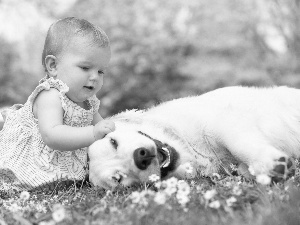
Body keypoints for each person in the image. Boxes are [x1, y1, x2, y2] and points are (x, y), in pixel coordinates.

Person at [0, 17, 115, 190]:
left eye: (101, 71)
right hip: (38, 164)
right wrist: (93, 132)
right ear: (53, 65)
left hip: (66, 168)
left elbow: (102, 131)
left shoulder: (89, 103)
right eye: (85, 68)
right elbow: (52, 136)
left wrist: (112, 133)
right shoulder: (50, 95)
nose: (95, 77)